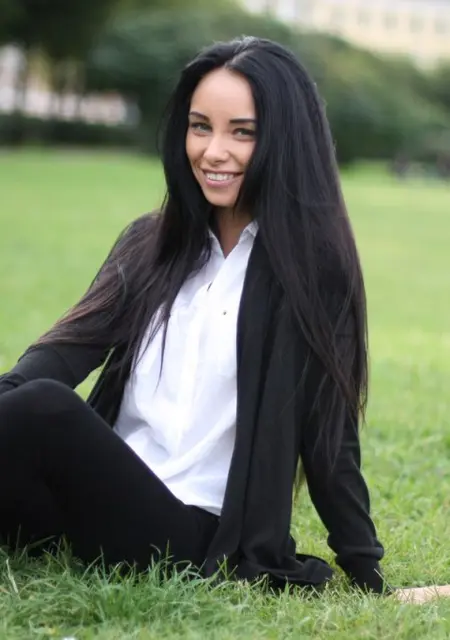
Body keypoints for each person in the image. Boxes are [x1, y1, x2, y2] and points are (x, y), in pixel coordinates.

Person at [0, 37, 387, 594]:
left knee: (46, 408)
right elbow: (63, 354)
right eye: (200, 126)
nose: (212, 151)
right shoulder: (150, 242)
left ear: (286, 140)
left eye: (242, 132)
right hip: (91, 501)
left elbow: (331, 443)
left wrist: (367, 573)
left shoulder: (314, 275)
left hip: (187, 531)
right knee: (33, 402)